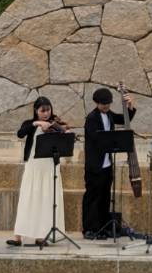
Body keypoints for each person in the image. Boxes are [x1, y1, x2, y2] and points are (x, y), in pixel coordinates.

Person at [10, 97, 69, 247]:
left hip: (50, 166)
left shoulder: (55, 124)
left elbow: (65, 135)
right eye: (42, 111)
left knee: (46, 199)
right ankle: (18, 236)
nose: (46, 113)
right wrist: (36, 123)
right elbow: (20, 133)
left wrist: (59, 129)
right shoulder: (29, 124)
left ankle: (41, 236)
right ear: (36, 111)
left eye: (48, 110)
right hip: (34, 166)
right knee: (28, 198)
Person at [82, 87, 135, 238]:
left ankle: (102, 226)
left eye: (108, 104)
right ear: (96, 103)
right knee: (92, 197)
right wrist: (113, 139)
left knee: (105, 197)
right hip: (95, 166)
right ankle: (89, 229)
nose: (105, 106)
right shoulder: (92, 118)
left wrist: (129, 107)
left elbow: (124, 119)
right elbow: (96, 139)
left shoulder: (109, 114)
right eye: (102, 104)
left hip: (106, 165)